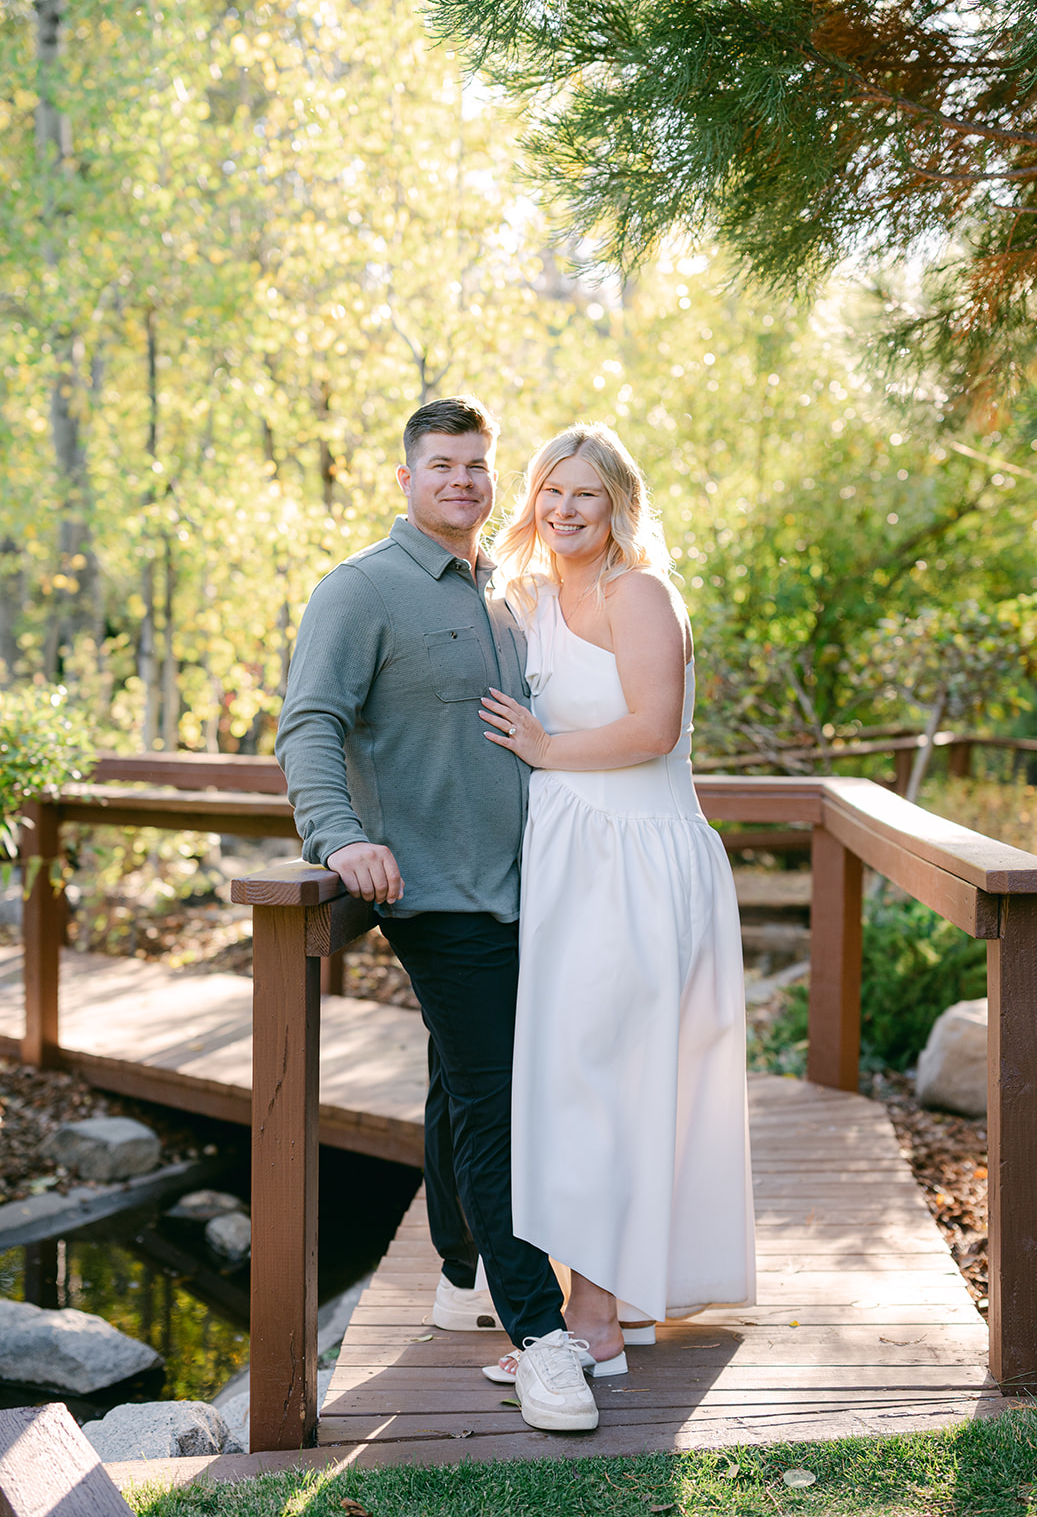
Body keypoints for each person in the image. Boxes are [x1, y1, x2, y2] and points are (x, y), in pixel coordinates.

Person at [274, 395, 600, 1432]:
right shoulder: (360, 590)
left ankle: (459, 1272)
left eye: (477, 466)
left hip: (529, 889)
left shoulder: (506, 593)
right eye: (442, 465)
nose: (461, 481)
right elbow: (309, 723)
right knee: (500, 1106)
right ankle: (542, 1337)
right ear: (406, 479)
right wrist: (338, 835)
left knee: (463, 1086)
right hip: (435, 891)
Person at [478, 422, 756, 1382]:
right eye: (550, 492)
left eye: (584, 495)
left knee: (607, 1079)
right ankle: (605, 1305)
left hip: (637, 868)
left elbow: (653, 726)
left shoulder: (640, 594)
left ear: (617, 507)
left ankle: (591, 1321)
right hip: (569, 869)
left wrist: (547, 749)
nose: (563, 510)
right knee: (572, 1081)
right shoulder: (523, 602)